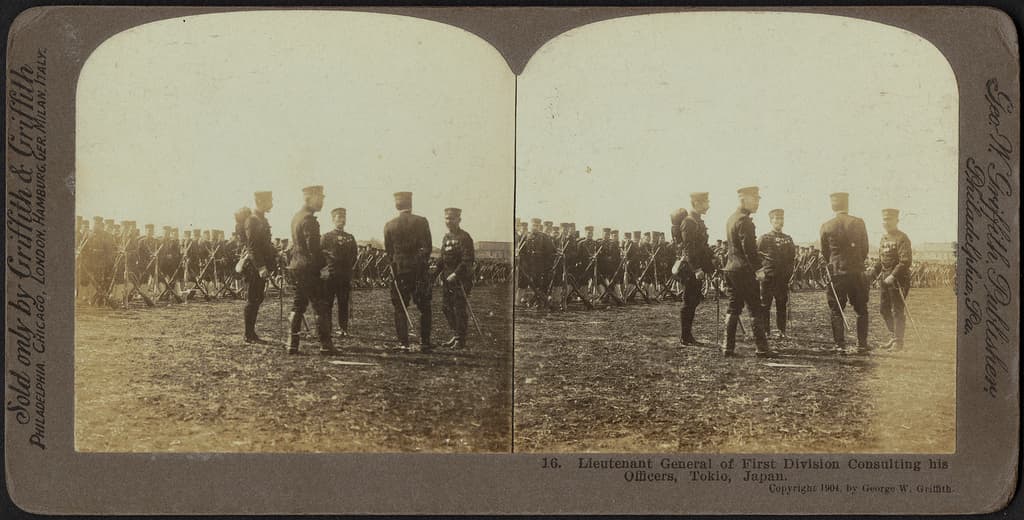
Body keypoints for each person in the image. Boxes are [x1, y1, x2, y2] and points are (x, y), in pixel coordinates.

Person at [722, 186, 776, 357]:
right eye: (755, 199)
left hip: (731, 269)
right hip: (744, 271)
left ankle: (727, 347)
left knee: (734, 307)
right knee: (755, 308)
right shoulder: (745, 221)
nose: (758, 202)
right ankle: (762, 348)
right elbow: (749, 250)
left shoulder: (731, 218)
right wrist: (759, 269)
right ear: (743, 199)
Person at [286, 185, 338, 355]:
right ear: (309, 198)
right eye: (320, 198)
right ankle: (325, 345)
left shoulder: (296, 217)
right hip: (309, 269)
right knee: (320, 306)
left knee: (298, 304)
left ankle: (291, 344)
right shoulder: (310, 220)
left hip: (296, 267)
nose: (322, 201)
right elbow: (313, 249)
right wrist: (323, 266)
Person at [819, 192, 870, 354]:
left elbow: (825, 252)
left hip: (837, 274)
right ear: (847, 204)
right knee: (861, 309)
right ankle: (862, 345)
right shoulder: (859, 223)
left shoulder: (826, 225)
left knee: (836, 310)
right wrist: (856, 262)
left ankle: (840, 345)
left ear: (833, 205)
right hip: (856, 273)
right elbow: (865, 248)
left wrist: (836, 263)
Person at [383, 191, 434, 350]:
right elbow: (427, 247)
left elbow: (389, 252)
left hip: (400, 272)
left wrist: (397, 264)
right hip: (419, 272)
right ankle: (425, 342)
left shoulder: (389, 225)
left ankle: (403, 343)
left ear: (397, 204)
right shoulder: (421, 221)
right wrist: (419, 263)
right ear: (411, 203)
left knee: (400, 307)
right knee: (425, 307)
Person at [870, 208, 912, 350]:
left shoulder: (902, 238)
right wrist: (872, 275)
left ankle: (898, 342)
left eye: (889, 220)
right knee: (884, 309)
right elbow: (881, 261)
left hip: (898, 280)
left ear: (896, 221)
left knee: (897, 310)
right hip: (884, 280)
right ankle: (893, 336)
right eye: (884, 220)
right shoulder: (884, 238)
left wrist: (893, 275)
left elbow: (905, 261)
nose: (886, 223)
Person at [677, 192, 716, 346]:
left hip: (698, 269)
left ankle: (688, 335)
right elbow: (688, 249)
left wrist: (713, 257)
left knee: (693, 301)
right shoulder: (689, 222)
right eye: (706, 202)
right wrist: (697, 269)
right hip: (691, 269)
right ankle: (685, 337)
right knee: (688, 302)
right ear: (696, 203)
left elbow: (702, 246)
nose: (708, 205)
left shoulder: (698, 221)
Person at [437, 207, 475, 348]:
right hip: (447, 279)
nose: (448, 221)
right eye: (446, 218)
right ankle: (456, 334)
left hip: (461, 279)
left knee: (459, 308)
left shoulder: (465, 237)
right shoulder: (446, 238)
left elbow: (467, 260)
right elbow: (442, 259)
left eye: (452, 218)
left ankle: (460, 339)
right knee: (446, 308)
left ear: (459, 220)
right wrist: (433, 274)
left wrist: (456, 274)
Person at [243, 191, 277, 344]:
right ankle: (248, 334)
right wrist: (261, 267)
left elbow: (266, 245)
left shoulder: (262, 220)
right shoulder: (252, 220)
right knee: (252, 299)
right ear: (260, 202)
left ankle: (251, 333)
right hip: (255, 267)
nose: (272, 204)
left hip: (262, 266)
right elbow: (252, 248)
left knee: (257, 298)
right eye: (269, 201)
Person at [758, 208, 796, 338]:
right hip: (768, 278)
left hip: (782, 279)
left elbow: (792, 258)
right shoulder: (764, 238)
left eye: (781, 219)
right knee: (765, 305)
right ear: (771, 221)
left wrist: (790, 274)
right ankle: (765, 331)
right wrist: (761, 272)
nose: (780, 221)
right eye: (777, 219)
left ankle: (781, 331)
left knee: (781, 305)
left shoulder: (788, 239)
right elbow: (756, 257)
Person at [322, 207, 358, 338]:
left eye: (343, 218)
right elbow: (320, 256)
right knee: (327, 303)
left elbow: (354, 256)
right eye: (339, 218)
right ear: (333, 220)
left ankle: (343, 329)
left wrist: (348, 271)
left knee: (343, 303)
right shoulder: (326, 237)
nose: (341, 221)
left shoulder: (350, 237)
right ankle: (327, 330)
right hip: (330, 276)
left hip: (344, 276)